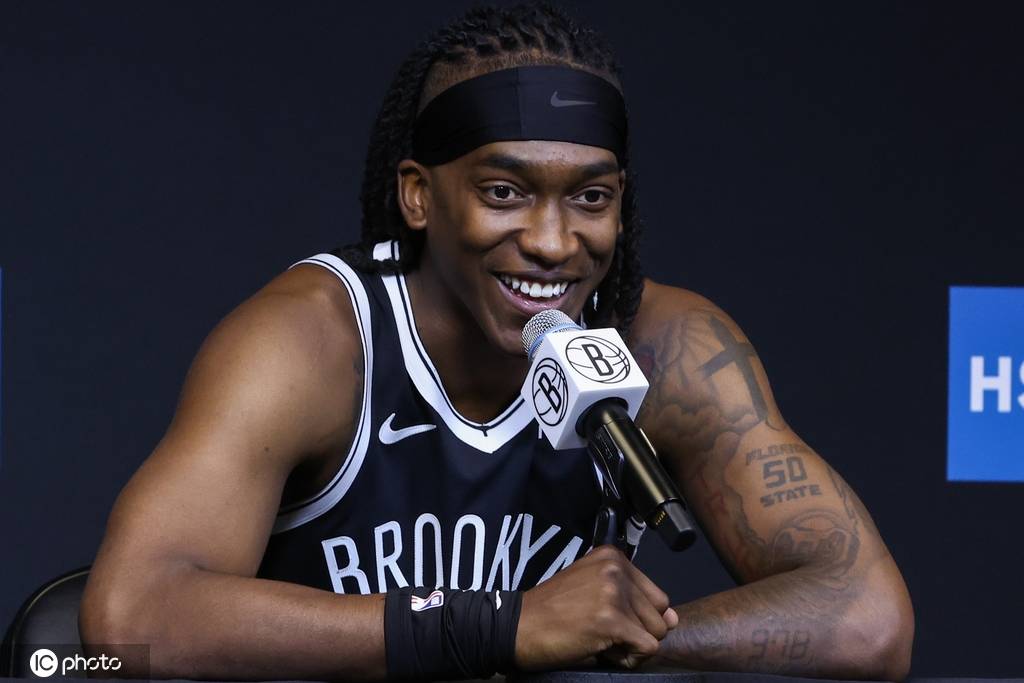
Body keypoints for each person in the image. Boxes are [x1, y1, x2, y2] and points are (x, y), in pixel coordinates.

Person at [80, 3, 914, 681]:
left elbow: (867, 616)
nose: (553, 242)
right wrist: (499, 627)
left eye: (591, 198)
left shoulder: (665, 344)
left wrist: (612, 643)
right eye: (504, 191)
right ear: (418, 195)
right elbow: (133, 613)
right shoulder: (315, 340)